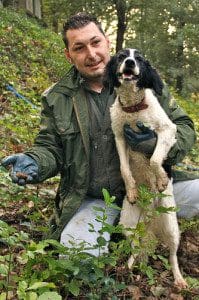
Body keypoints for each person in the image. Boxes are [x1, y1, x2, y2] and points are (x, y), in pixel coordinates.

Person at [1, 13, 198, 255]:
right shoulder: (57, 98)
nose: (91, 54)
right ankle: (116, 232)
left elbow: (184, 127)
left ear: (107, 43)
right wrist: (34, 161)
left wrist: (154, 144)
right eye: (79, 48)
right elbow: (49, 147)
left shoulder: (143, 81)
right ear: (68, 55)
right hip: (97, 199)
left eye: (95, 43)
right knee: (75, 255)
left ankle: (141, 225)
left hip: (151, 185)